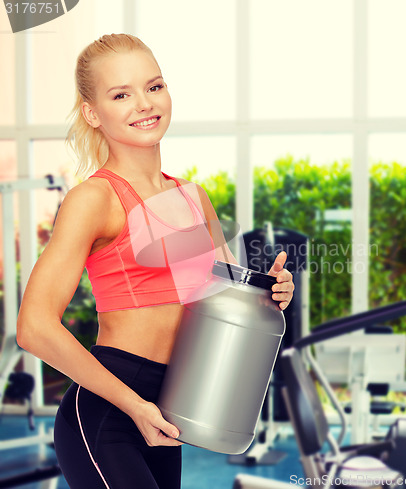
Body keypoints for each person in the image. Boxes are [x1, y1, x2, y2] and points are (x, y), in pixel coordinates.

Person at [16, 33, 294, 489]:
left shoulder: (192, 197)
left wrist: (272, 292)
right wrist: (134, 405)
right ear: (92, 112)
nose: (143, 103)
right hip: (110, 411)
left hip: (168, 410)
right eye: (121, 94)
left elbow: (229, 299)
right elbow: (35, 327)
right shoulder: (95, 198)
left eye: (154, 86)